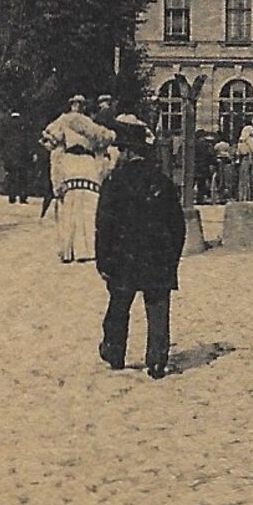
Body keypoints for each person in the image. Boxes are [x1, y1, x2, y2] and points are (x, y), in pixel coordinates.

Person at [94, 117, 184, 379]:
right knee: (157, 307)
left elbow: (104, 225)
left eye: (121, 150)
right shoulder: (162, 181)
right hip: (157, 257)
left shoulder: (114, 182)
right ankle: (157, 359)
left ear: (129, 151)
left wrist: (103, 261)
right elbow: (177, 225)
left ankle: (114, 351)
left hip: (123, 258)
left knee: (119, 305)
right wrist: (172, 258)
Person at [42, 95, 116, 263]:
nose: (77, 107)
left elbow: (49, 141)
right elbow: (106, 139)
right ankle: (84, 249)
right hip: (84, 165)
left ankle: (69, 250)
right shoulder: (91, 125)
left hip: (73, 164)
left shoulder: (62, 122)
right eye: (76, 104)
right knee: (85, 206)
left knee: (73, 206)